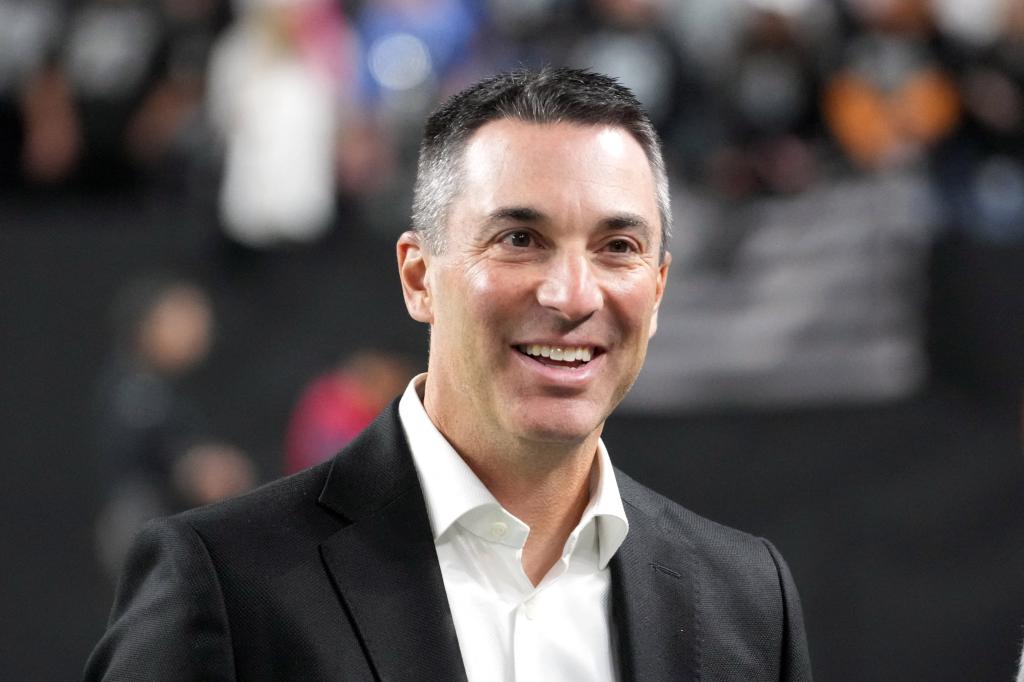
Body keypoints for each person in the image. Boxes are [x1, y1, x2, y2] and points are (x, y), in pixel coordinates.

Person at [85, 68, 811, 680]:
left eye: (617, 246)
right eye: (519, 239)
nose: (572, 295)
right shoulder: (222, 583)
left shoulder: (748, 601)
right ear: (419, 277)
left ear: (656, 293)